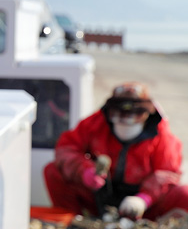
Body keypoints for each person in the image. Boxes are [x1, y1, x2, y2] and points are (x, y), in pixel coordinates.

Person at [43, 82, 186, 220]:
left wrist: (144, 199)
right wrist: (84, 171)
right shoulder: (95, 123)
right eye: (118, 114)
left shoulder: (162, 135)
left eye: (133, 115)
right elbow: (66, 149)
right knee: (53, 171)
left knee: (183, 194)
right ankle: (73, 223)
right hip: (99, 193)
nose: (124, 120)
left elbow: (167, 173)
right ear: (109, 111)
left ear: (146, 114)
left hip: (143, 205)